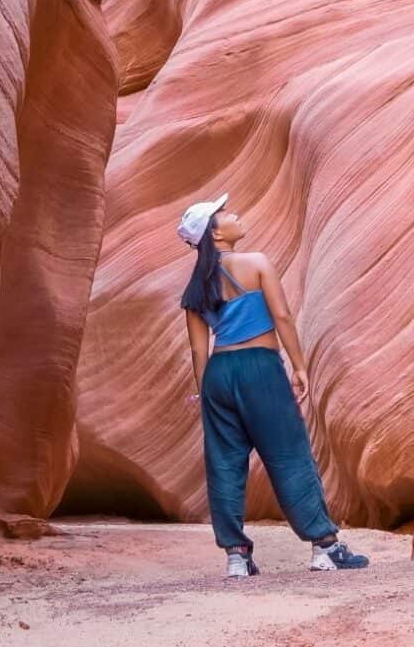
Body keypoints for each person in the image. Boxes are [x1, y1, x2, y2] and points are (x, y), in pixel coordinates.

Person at [175, 193, 371, 577]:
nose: (236, 214)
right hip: (260, 368)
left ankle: (236, 556)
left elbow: (199, 351)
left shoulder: (195, 289)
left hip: (219, 373)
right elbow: (281, 316)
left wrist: (207, 395)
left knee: (225, 464)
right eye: (226, 213)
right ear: (215, 235)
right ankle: (325, 547)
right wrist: (299, 367)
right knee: (289, 454)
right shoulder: (256, 263)